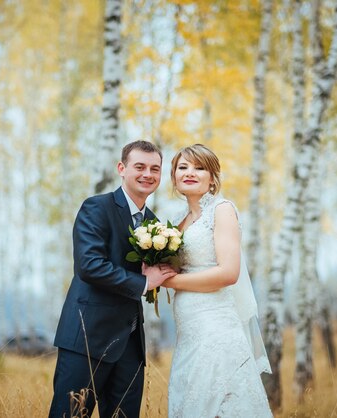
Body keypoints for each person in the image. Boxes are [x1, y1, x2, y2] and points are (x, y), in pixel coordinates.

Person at [48, 140, 177, 418]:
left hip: (130, 345)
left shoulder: (155, 224)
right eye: (139, 166)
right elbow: (90, 266)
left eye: (155, 168)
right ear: (122, 168)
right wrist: (144, 283)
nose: (147, 174)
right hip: (87, 339)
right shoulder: (97, 207)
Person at [163, 144, 273, 417]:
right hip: (188, 333)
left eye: (200, 167)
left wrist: (169, 281)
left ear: (212, 178)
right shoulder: (177, 222)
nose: (190, 172)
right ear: (174, 176)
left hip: (216, 329)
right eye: (183, 167)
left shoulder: (222, 210)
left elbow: (228, 273)